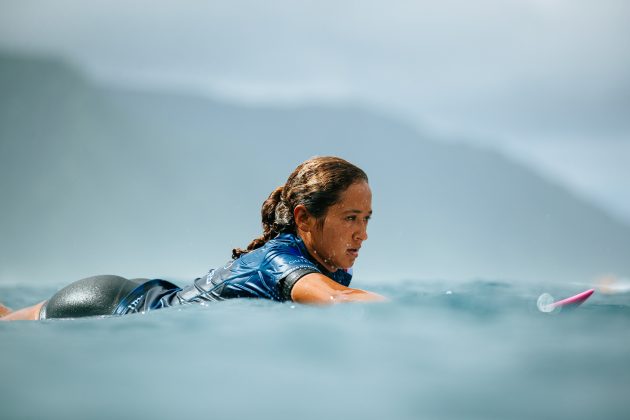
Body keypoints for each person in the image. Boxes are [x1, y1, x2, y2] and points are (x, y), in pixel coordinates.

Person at [1, 156, 385, 321]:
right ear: (304, 218)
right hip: (112, 307)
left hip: (144, 295)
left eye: (366, 219)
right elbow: (337, 300)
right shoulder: (282, 261)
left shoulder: (322, 262)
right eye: (350, 218)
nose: (362, 234)